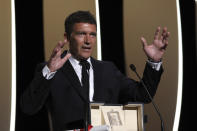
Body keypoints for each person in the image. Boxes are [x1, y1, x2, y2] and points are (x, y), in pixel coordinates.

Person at [21, 10, 170, 131]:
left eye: (92, 34)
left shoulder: (108, 70)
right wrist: (49, 71)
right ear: (67, 37)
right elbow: (28, 107)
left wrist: (153, 62)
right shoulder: (50, 70)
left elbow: (143, 95)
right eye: (81, 34)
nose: (88, 40)